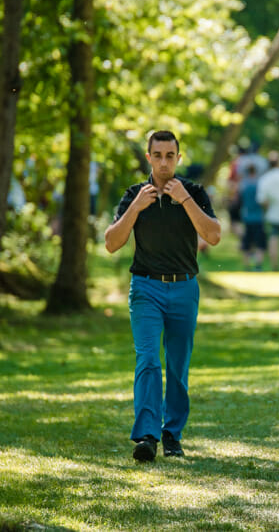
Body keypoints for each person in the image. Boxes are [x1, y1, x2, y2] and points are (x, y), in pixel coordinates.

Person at [104, 130, 221, 463]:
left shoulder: (194, 192)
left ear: (178, 158)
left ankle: (172, 433)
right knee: (148, 360)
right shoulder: (134, 194)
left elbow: (213, 236)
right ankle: (147, 436)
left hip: (184, 288)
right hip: (146, 288)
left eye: (171, 156)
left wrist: (184, 199)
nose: (164, 162)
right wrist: (137, 208)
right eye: (158, 155)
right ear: (148, 157)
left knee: (178, 365)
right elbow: (112, 243)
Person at [238, 164, 267, 270]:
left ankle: (246, 265)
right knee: (259, 242)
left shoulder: (243, 185)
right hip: (258, 217)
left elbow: (240, 200)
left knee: (247, 242)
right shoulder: (259, 184)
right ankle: (258, 265)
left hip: (246, 216)